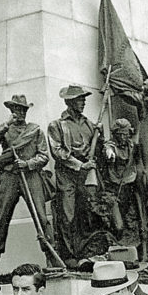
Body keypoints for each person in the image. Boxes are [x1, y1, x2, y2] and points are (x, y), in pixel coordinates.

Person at [0, 93, 53, 274]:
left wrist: (28, 164)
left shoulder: (35, 130)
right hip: (9, 176)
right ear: (11, 111)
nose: (20, 113)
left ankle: (50, 255)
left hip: (30, 176)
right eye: (16, 109)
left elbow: (44, 156)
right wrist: (6, 124)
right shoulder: (5, 130)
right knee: (2, 218)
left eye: (23, 109)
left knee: (41, 217)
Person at [48, 84, 101, 264]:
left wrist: (101, 135)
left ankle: (83, 253)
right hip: (67, 174)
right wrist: (80, 165)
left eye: (84, 99)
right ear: (69, 102)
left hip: (85, 175)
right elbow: (58, 152)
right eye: (80, 99)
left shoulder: (89, 124)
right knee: (67, 214)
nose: (83, 102)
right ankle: (68, 256)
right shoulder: (57, 125)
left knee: (85, 214)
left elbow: (98, 145)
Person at [102, 118, 138, 236]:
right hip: (113, 191)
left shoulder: (131, 145)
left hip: (127, 189)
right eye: (120, 134)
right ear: (115, 134)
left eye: (125, 134)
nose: (123, 137)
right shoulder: (110, 145)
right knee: (118, 227)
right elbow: (108, 150)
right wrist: (110, 154)